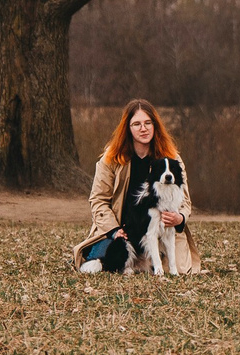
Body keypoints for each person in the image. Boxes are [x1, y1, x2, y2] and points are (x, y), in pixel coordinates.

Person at [73, 98, 201, 274]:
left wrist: (180, 218)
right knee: (102, 261)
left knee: (181, 268)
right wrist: (114, 230)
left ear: (155, 126)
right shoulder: (111, 159)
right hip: (123, 232)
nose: (143, 128)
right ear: (128, 128)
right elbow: (98, 200)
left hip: (161, 233)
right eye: (137, 124)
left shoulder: (172, 159)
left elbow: (185, 201)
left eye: (148, 123)